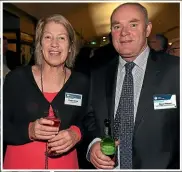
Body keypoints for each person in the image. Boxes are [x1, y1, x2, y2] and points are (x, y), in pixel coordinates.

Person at [87, 3, 179, 169]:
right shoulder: (98, 74)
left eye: (133, 24)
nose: (124, 33)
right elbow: (89, 118)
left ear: (148, 29)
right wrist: (93, 144)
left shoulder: (175, 70)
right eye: (117, 26)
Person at [3, 14, 90, 169]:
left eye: (62, 38)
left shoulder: (81, 83)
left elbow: (89, 121)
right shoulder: (16, 79)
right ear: (40, 45)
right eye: (48, 37)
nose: (54, 44)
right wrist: (28, 130)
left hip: (65, 165)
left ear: (70, 47)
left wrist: (76, 133)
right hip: (20, 164)